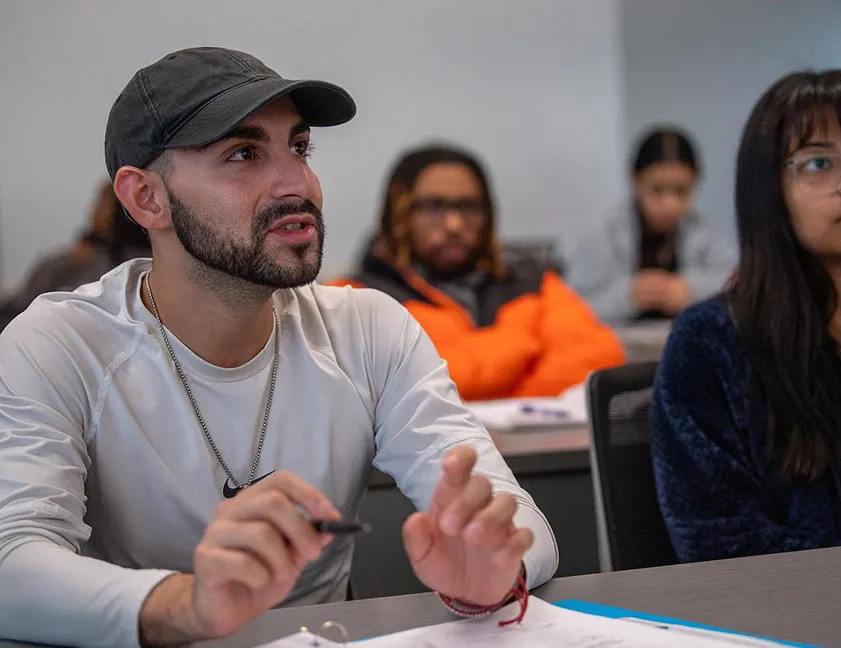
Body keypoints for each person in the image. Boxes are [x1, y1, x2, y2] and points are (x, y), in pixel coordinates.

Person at [0, 48, 558, 648]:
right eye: (243, 154)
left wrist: (493, 570)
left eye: (299, 147)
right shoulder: (58, 345)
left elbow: (513, 516)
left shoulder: (369, 330)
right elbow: (11, 564)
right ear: (146, 199)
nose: (299, 184)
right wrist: (190, 606)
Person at [651, 69, 841, 563]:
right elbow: (719, 543)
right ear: (771, 190)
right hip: (815, 622)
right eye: (819, 163)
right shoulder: (712, 343)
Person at [331, 144, 625, 401]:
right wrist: (519, 345)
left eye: (469, 207)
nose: (454, 225)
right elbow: (413, 385)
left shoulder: (532, 281)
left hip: (535, 460)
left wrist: (492, 401)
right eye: (434, 207)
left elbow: (600, 359)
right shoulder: (355, 298)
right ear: (398, 213)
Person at [563, 128, 736, 323]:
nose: (669, 204)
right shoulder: (601, 234)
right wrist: (628, 296)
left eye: (681, 191)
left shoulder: (706, 232)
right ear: (636, 182)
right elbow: (569, 308)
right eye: (657, 190)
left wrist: (691, 290)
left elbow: (736, 286)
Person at [0, 181, 151, 316]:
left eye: (101, 204)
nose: (93, 210)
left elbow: (21, 306)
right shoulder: (81, 256)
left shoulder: (89, 261)